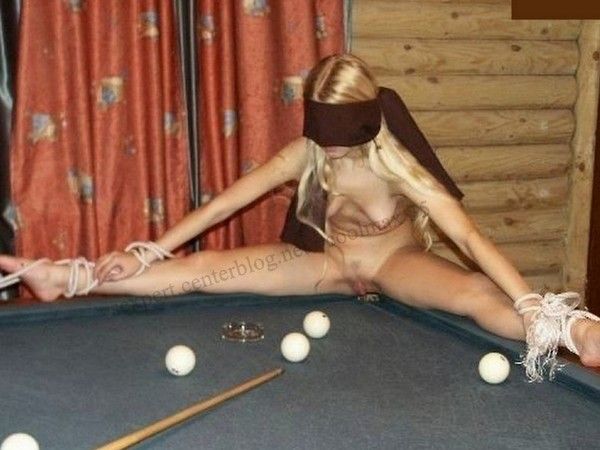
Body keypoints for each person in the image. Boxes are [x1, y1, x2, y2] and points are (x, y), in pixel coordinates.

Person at [0, 53, 599, 382]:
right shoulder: (307, 152)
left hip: (394, 262)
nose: (329, 150)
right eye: (323, 138)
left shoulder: (398, 164)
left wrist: (531, 302)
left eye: (341, 140)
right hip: (325, 264)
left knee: (473, 293)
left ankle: (575, 332)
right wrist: (150, 248)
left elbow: (467, 234)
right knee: (206, 268)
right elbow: (224, 204)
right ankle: (68, 277)